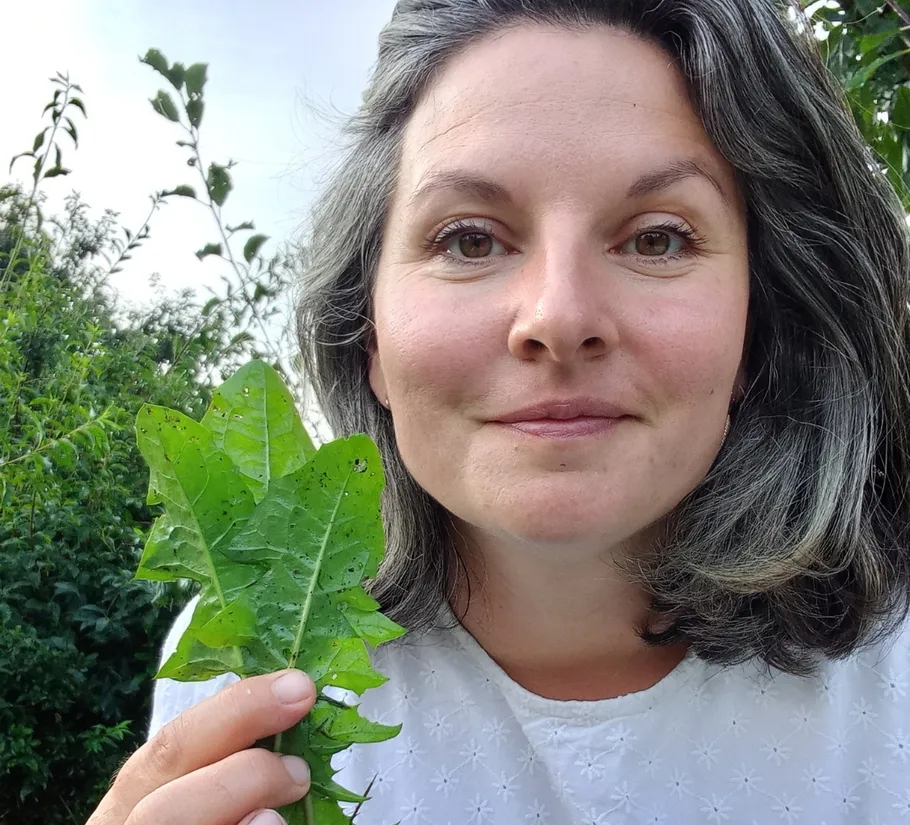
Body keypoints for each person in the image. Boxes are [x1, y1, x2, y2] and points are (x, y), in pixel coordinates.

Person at [87, 0, 910, 823]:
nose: (556, 316)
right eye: (469, 240)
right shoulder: (250, 652)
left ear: (758, 326)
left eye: (657, 238)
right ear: (368, 334)